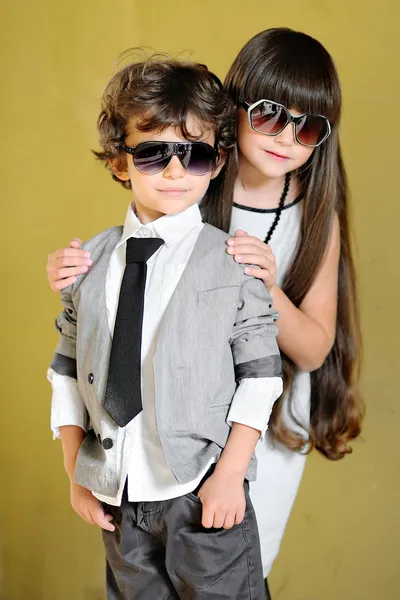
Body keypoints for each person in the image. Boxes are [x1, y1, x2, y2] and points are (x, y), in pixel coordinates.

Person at [46, 28, 362, 589]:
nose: (285, 136)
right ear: (230, 114)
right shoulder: (191, 181)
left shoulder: (315, 216)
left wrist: (264, 284)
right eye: (268, 114)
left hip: (269, 410)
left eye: (308, 125)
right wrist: (74, 275)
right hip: (177, 408)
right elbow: (123, 282)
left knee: (238, 564)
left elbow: (314, 349)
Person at [48, 56, 283, 599]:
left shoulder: (233, 262)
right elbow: (65, 370)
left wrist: (228, 476)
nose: (176, 171)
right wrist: (75, 471)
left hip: (201, 490)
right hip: (119, 495)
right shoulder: (91, 262)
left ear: (217, 162)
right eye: (154, 153)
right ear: (120, 162)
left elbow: (261, 374)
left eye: (194, 154)